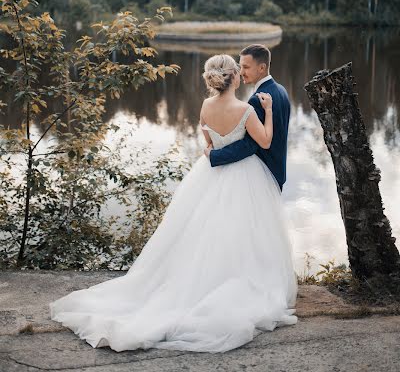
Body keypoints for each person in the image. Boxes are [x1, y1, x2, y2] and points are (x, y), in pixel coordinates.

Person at [49, 53, 298, 353]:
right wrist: (268, 113)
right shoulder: (246, 109)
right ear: (233, 78)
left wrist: (211, 150)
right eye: (239, 70)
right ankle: (231, 280)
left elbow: (206, 139)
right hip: (244, 177)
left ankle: (196, 283)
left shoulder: (206, 106)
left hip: (209, 175)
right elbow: (266, 142)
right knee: (239, 233)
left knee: (197, 232)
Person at [206, 44, 290, 191]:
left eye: (246, 67)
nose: (241, 72)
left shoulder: (257, 99)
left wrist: (215, 156)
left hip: (263, 175)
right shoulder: (281, 90)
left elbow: (249, 145)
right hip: (278, 170)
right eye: (240, 67)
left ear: (262, 68)